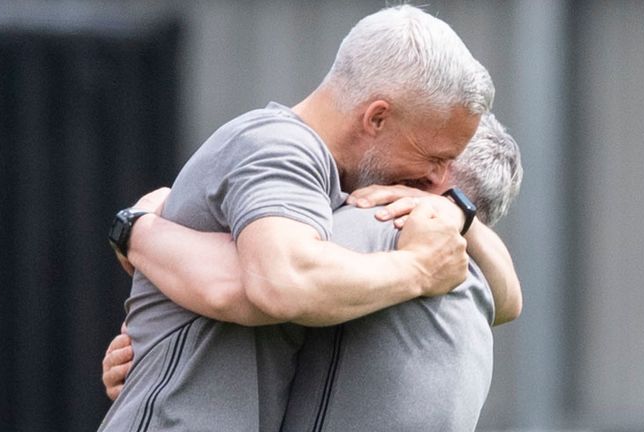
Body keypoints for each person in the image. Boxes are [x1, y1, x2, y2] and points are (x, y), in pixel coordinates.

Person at [98, 5, 501, 431]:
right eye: (433, 156)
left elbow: (506, 296)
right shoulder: (279, 147)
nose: (435, 176)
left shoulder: (326, 189)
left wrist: (456, 213)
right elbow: (280, 282)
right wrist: (418, 268)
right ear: (377, 117)